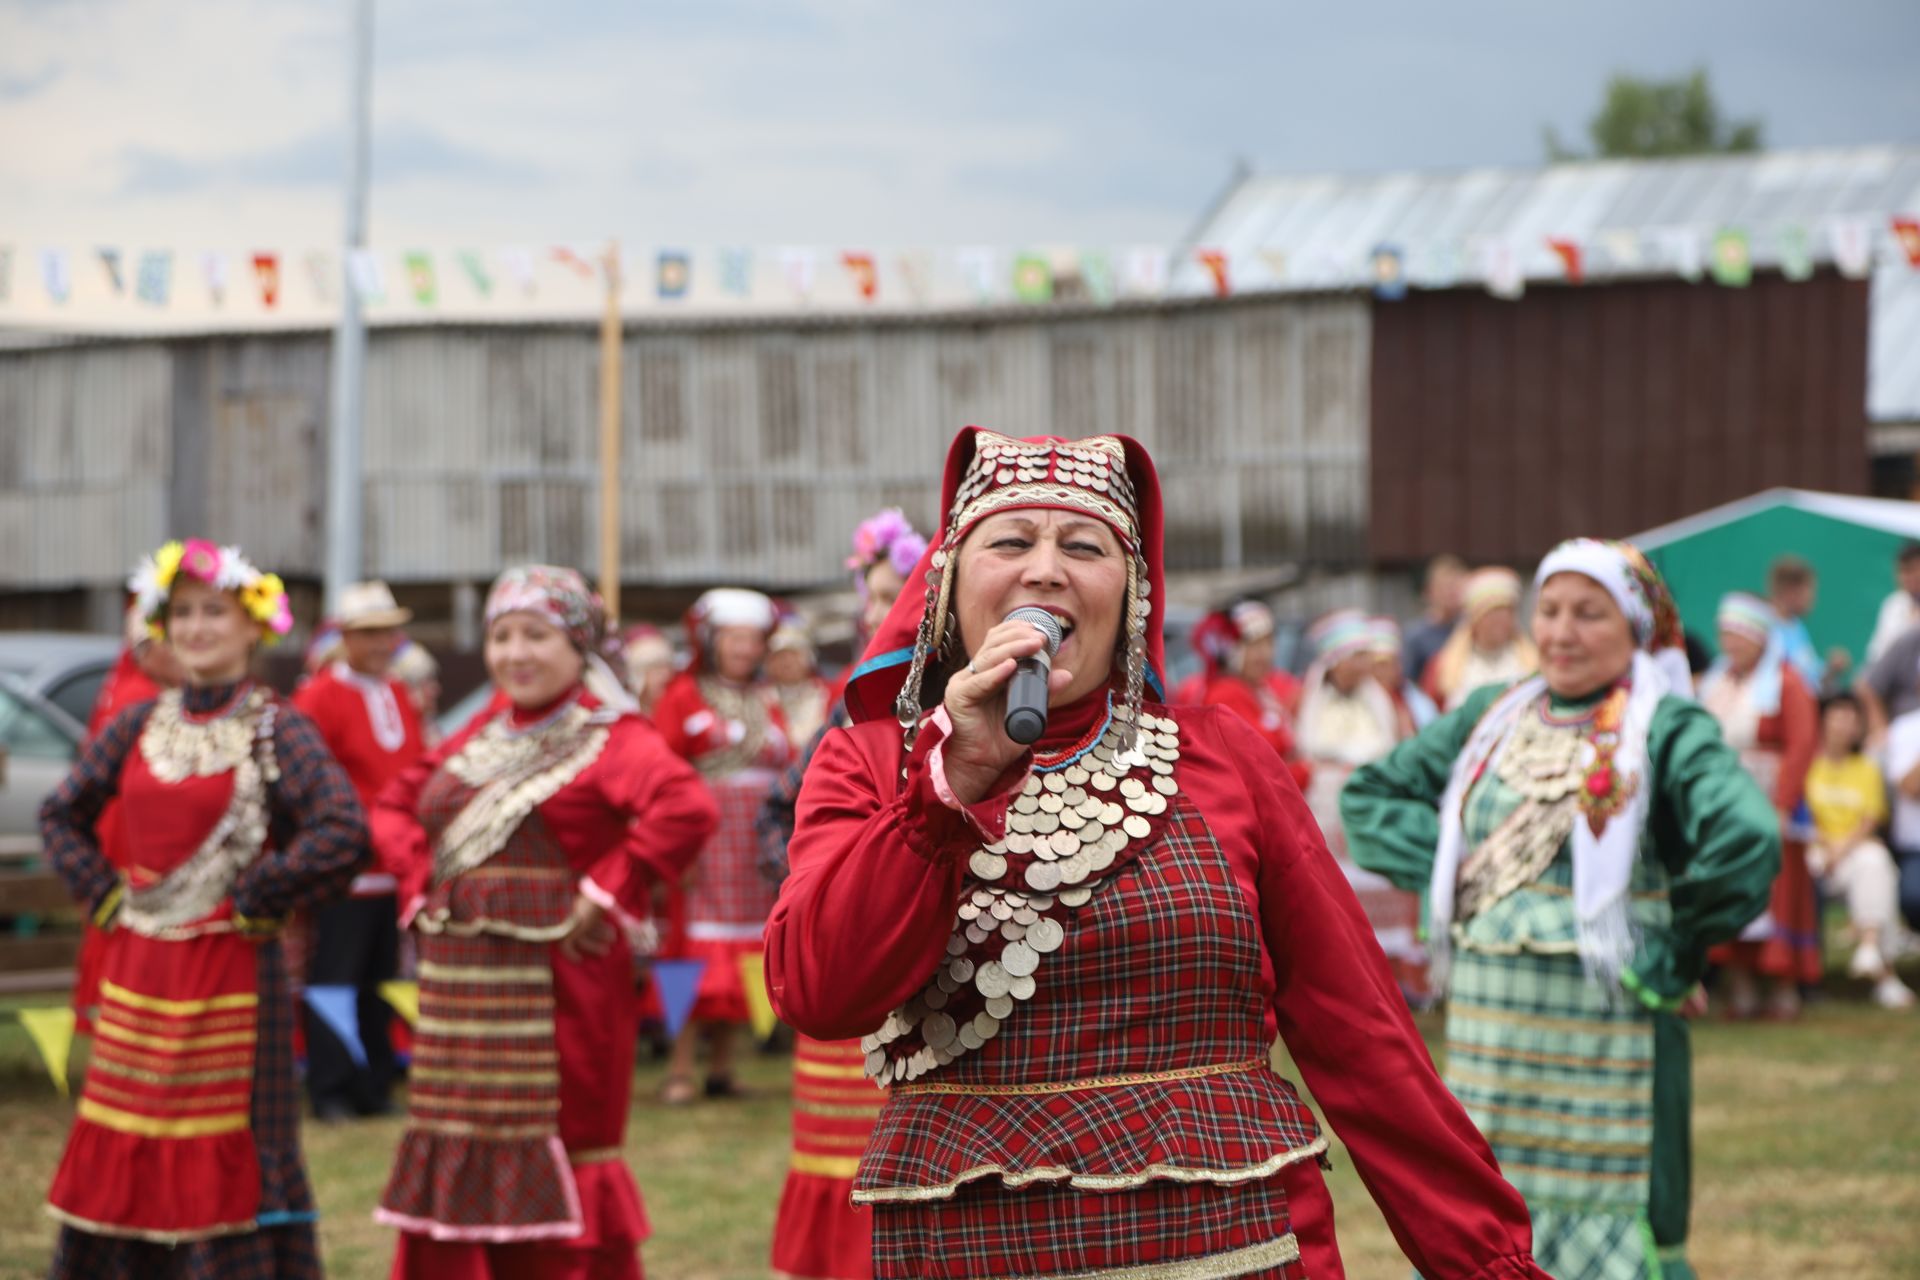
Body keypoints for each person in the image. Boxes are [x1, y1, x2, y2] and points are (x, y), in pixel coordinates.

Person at [767, 427, 1554, 1280]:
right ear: (949, 582)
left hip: (1231, 1245)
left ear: (1134, 591)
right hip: (972, 1249)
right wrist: (949, 782)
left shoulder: (1225, 757)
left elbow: (1364, 1035)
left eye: (1083, 545)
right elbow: (819, 989)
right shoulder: (874, 762)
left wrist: (1489, 1262)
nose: (1044, 570)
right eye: (1009, 541)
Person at [1343, 538, 1778, 1280]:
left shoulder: (1667, 726)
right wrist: (1465, 873)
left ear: (1636, 628)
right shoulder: (1491, 715)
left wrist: (1676, 951)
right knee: (1491, 1210)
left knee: (1607, 1224)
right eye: (1547, 611)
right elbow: (1369, 796)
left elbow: (1746, 836)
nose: (1561, 632)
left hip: (1610, 1038)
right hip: (1492, 1038)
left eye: (1589, 614)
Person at [372, 564, 717, 1280]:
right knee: (457, 1137)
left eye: (537, 634)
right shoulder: (479, 731)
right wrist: (418, 881)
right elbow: (395, 804)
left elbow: (685, 807)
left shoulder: (612, 736)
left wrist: (606, 889)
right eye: (501, 636)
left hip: (564, 989)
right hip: (461, 991)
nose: (515, 653)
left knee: (566, 1144)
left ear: (579, 646)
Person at [38, 538, 368, 1278]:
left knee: (227, 1146)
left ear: (255, 626)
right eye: (180, 613)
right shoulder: (137, 725)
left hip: (231, 974)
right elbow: (61, 813)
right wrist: (104, 893)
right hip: (138, 972)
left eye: (213, 612)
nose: (194, 628)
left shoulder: (279, 728)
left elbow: (343, 830)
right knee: (131, 1134)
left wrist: (261, 891)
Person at [760, 508, 926, 1280]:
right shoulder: (850, 706)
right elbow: (779, 813)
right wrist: (811, 891)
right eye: (875, 593)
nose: (882, 609)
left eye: (902, 592)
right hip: (846, 953)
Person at [292, 580, 426, 1121]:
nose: (381, 643)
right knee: (333, 980)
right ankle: (330, 1089)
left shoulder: (396, 692)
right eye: (369, 633)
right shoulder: (320, 696)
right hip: (344, 867)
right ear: (346, 636)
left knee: (379, 982)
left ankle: (374, 1084)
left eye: (388, 632)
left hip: (393, 866)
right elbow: (306, 781)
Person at [653, 588, 791, 1103]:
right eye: (734, 638)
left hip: (753, 840)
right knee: (692, 948)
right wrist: (676, 846)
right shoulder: (682, 695)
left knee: (747, 948)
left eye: (753, 639)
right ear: (713, 641)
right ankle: (680, 1067)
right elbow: (662, 768)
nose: (744, 648)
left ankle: (723, 1066)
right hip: (704, 840)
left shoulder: (767, 699)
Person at [1698, 592, 1821, 1019]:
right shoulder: (1717, 683)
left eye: (1740, 636)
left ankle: (1784, 987)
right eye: (1726, 636)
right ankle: (1742, 985)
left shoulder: (1787, 682)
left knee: (1778, 891)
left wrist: (1783, 803)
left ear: (1760, 639)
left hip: (1772, 803)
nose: (1731, 645)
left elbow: (1802, 745)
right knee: (1733, 888)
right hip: (1726, 804)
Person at [70, 604, 185, 1036]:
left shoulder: (134, 689)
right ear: (147, 651)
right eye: (169, 646)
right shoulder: (140, 700)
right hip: (129, 837)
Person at [1803, 692, 1915, 1008]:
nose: (1845, 725)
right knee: (1805, 865)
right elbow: (1799, 814)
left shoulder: (1866, 766)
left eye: (1853, 718)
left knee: (1876, 863)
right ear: (1823, 720)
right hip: (1814, 853)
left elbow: (1871, 817)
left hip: (1852, 851)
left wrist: (1842, 847)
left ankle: (1873, 956)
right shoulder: (1807, 762)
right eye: (1838, 716)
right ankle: (1805, 978)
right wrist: (1827, 844)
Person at [1179, 598, 1310, 788]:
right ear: (1231, 650)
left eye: (1268, 643)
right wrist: (1306, 771)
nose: (1263, 654)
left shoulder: (1261, 690)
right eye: (1253, 645)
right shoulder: (1226, 694)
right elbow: (1256, 771)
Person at [1422, 566, 1538, 711]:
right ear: (1475, 619)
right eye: (1493, 613)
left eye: (1507, 612)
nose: (1501, 620)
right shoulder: (1444, 666)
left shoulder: (1533, 662)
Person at [1402, 552, 1468, 692]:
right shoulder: (1416, 636)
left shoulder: (1469, 630)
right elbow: (1407, 683)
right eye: (1446, 587)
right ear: (1429, 591)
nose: (1452, 593)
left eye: (1457, 587)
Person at [768, 618, 833, 747]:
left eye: (794, 655)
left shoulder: (829, 694)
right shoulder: (763, 700)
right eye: (780, 656)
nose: (787, 662)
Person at [1369, 614, 1437, 733]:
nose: (1387, 671)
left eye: (1393, 663)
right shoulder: (1364, 699)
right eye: (1381, 665)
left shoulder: (1415, 699)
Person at [1865, 542, 1920, 664]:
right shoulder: (1892, 604)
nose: (1907, 577)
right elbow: (1876, 653)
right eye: (1902, 571)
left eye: (1912, 570)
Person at [621, 624, 677, 720]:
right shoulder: (627, 720)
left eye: (668, 665)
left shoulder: (679, 716)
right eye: (656, 667)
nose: (666, 674)